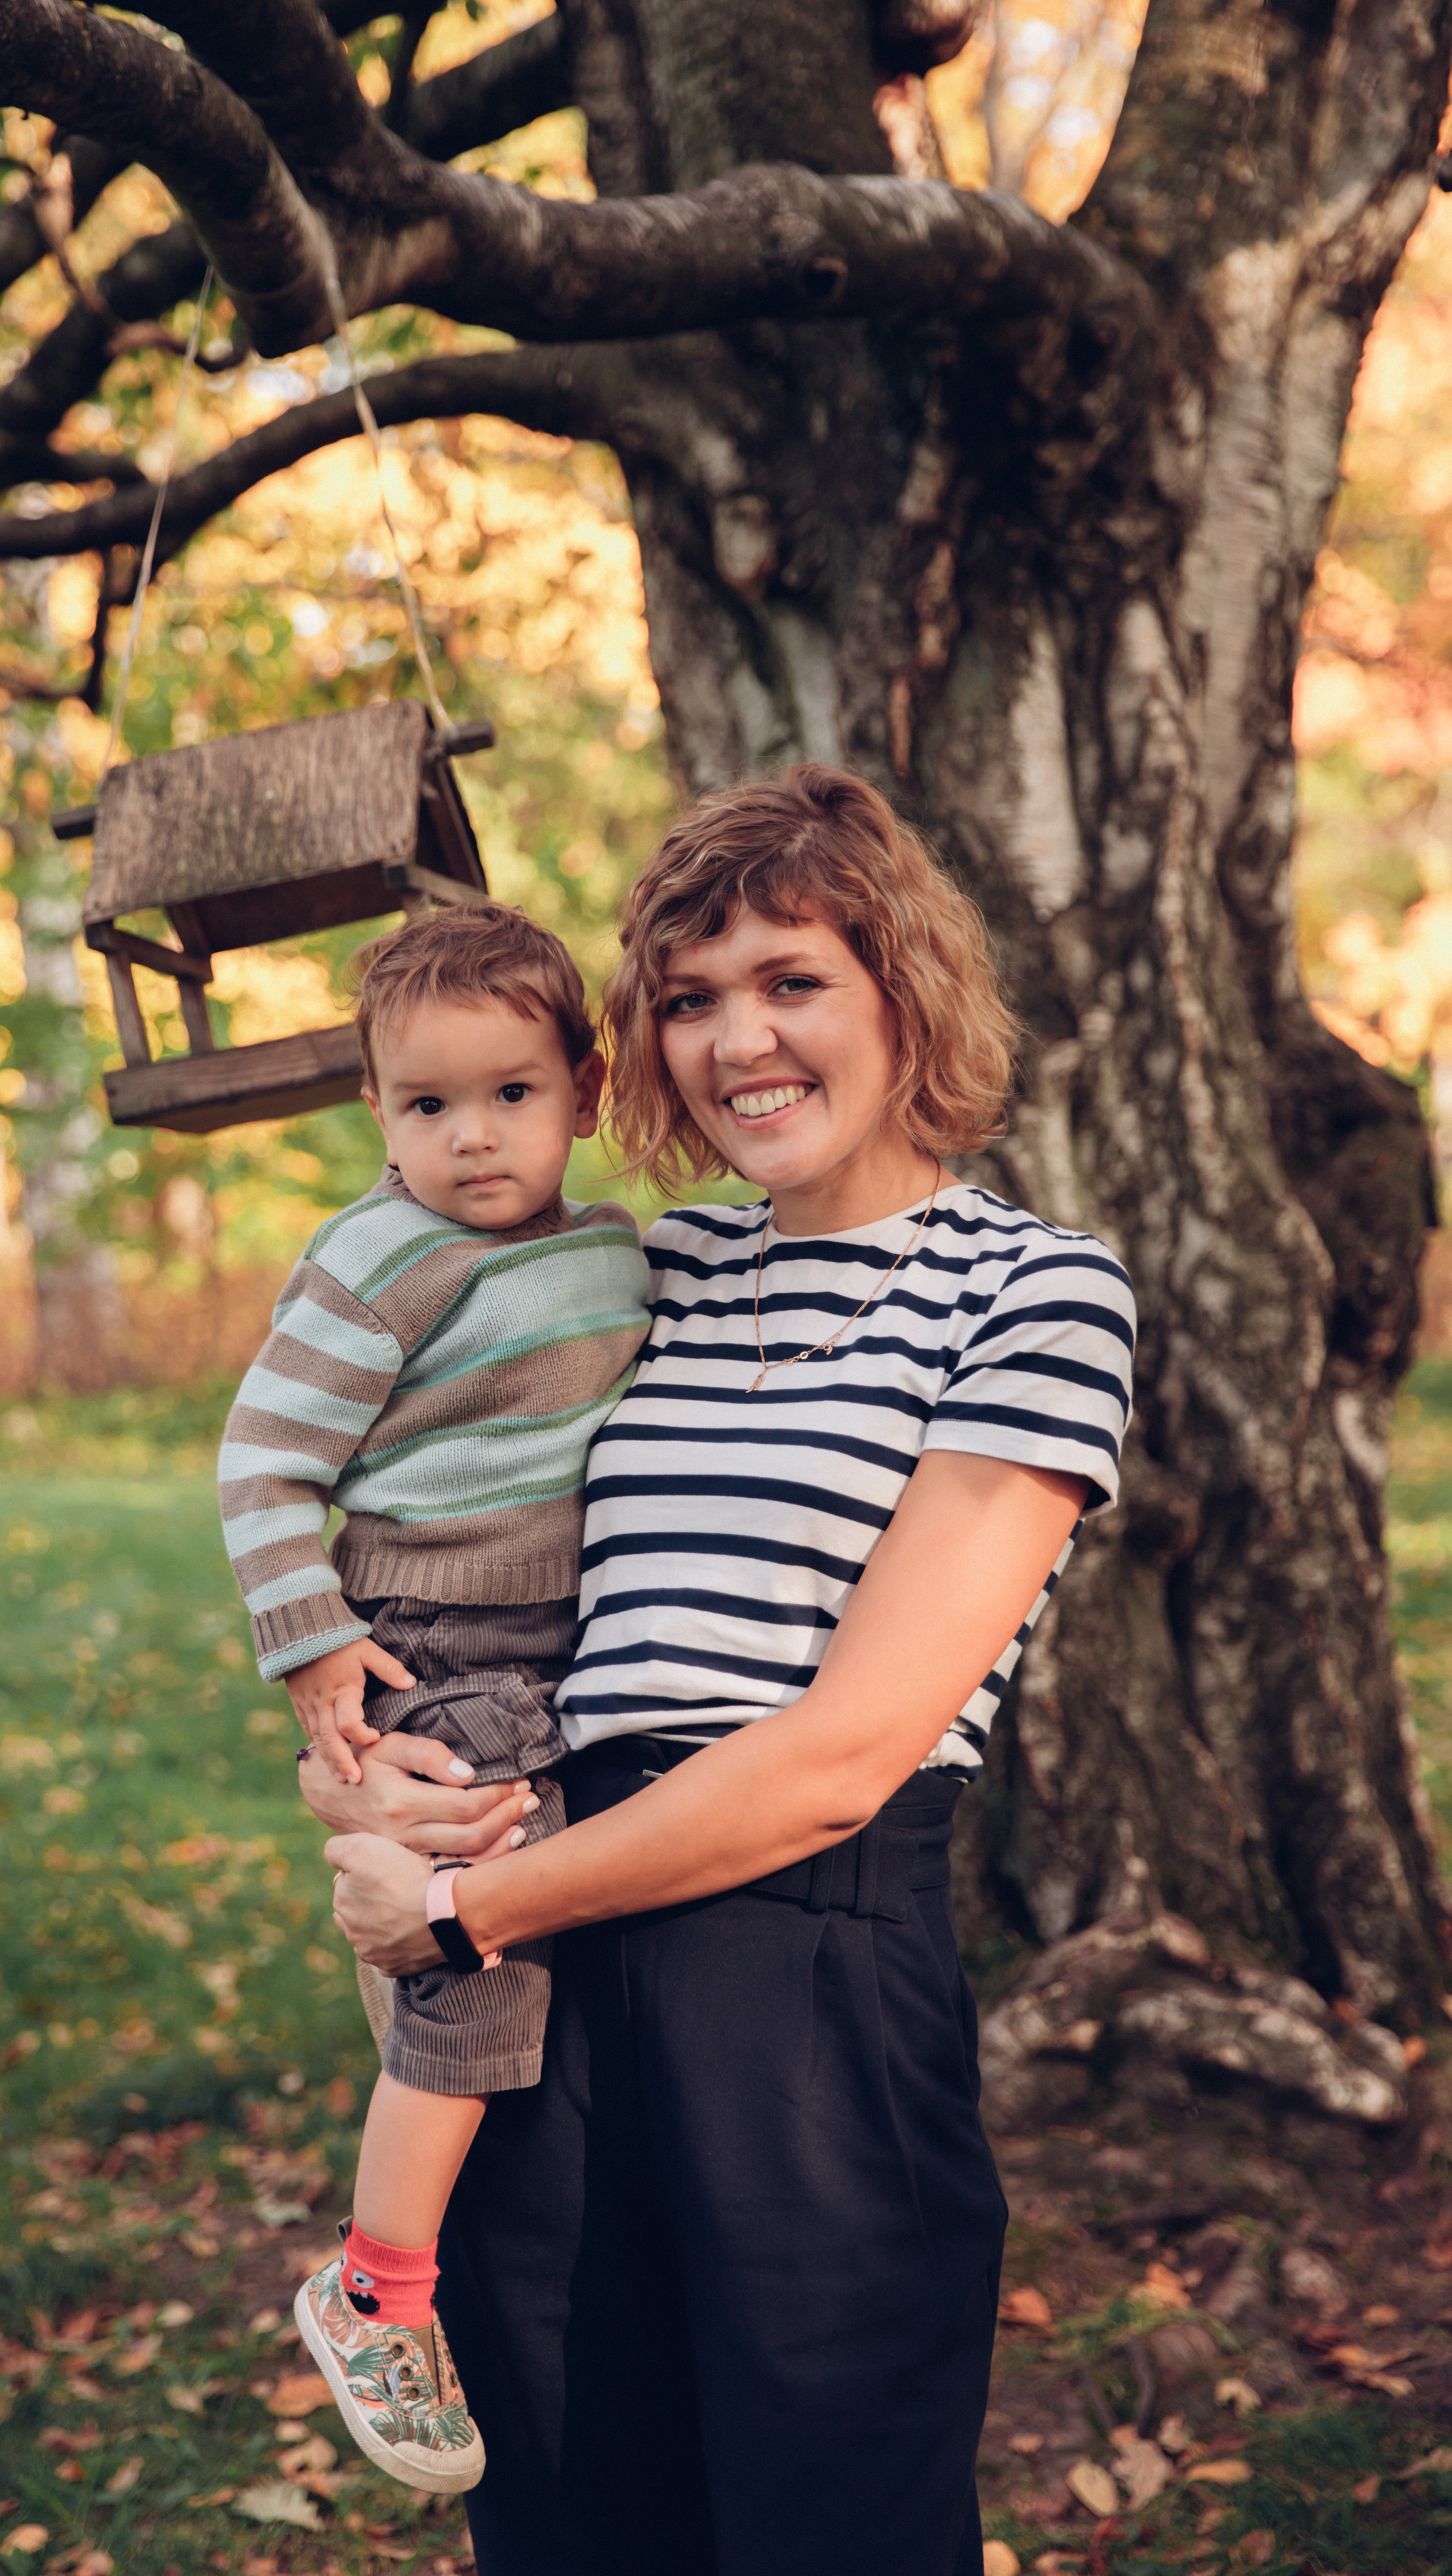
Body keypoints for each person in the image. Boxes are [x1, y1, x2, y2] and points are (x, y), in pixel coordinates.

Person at [308, 765, 1137, 2576]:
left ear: (900, 992)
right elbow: (433, 1544)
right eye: (686, 998)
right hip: (550, 1962)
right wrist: (365, 1768)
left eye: (789, 980)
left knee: (824, 2503)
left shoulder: (1037, 1293)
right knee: (570, 2498)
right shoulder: (634, 1273)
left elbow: (849, 1749)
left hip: (809, 1962)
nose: (734, 1039)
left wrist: (467, 1910)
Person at [218, 901, 649, 2496]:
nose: (471, 1137)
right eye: (426, 1104)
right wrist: (314, 1640)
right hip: (433, 1645)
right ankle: (378, 2286)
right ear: (375, 1112)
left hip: (563, 1650)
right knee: (475, 1961)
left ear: (584, 1093)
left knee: (540, 1942)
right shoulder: (372, 1258)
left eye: (511, 1094)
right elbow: (261, 1463)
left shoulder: (607, 1249)